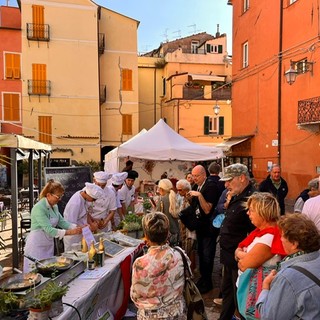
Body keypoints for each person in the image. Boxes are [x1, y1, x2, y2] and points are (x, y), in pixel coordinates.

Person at [256, 213, 320, 319]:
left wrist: (265, 287)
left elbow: (269, 317)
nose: (280, 239)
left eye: (283, 236)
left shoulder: (287, 278)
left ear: (294, 243)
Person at [235, 192, 286, 319]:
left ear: (263, 212)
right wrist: (242, 254)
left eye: (251, 210)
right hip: (250, 289)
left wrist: (239, 254)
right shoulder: (261, 233)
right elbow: (238, 252)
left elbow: (244, 265)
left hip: (256, 294)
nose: (248, 213)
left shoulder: (269, 237)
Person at [130, 212, 188, 320]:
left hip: (149, 316)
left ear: (146, 237)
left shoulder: (139, 263)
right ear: (167, 234)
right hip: (176, 314)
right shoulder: (180, 255)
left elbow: (135, 295)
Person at [218, 163, 256, 320]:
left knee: (240, 297)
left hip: (240, 259)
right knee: (228, 293)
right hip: (229, 256)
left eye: (229, 180)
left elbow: (256, 231)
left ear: (242, 178)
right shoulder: (238, 195)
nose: (226, 185)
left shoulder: (252, 199)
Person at [23, 180, 82, 272]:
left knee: (48, 270)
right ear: (48, 195)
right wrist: (70, 232)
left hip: (48, 244)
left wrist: (77, 227)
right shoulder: (39, 208)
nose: (60, 199)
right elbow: (49, 230)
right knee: (34, 273)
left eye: (61, 196)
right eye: (58, 196)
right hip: (36, 245)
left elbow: (62, 222)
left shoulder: (54, 206)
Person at [188, 164, 221, 294]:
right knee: (201, 254)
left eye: (196, 176)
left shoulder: (210, 187)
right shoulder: (197, 186)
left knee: (207, 255)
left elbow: (207, 209)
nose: (194, 178)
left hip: (209, 228)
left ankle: (208, 283)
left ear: (204, 175)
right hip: (200, 227)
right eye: (193, 176)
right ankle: (203, 279)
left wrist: (199, 196)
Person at [63, 182, 104, 251]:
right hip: (73, 237)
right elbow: (71, 225)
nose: (93, 201)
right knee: (76, 256)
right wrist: (90, 228)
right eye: (93, 199)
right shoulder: (75, 204)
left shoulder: (83, 194)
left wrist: (92, 221)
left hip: (82, 233)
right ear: (88, 194)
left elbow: (85, 213)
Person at [176, 178, 196, 270]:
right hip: (185, 228)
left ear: (186, 189)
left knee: (190, 250)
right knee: (189, 249)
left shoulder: (189, 198)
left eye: (180, 190)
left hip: (189, 229)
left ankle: (190, 269)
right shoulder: (184, 198)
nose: (178, 191)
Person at [156, 178, 180, 246]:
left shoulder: (161, 200)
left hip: (166, 234)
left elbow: (157, 215)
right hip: (176, 231)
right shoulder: (174, 197)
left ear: (161, 189)